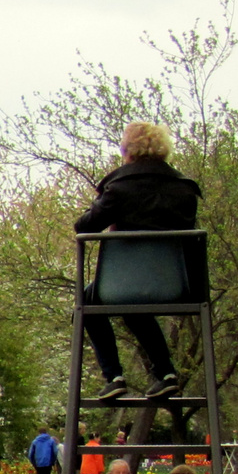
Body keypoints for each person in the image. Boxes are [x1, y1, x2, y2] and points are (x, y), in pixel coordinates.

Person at [76, 121, 199, 401]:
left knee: (88, 302)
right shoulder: (185, 189)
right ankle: (166, 374)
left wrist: (99, 203)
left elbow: (84, 227)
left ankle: (114, 377)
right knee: (134, 303)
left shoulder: (119, 188)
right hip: (178, 284)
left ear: (128, 152)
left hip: (126, 282)